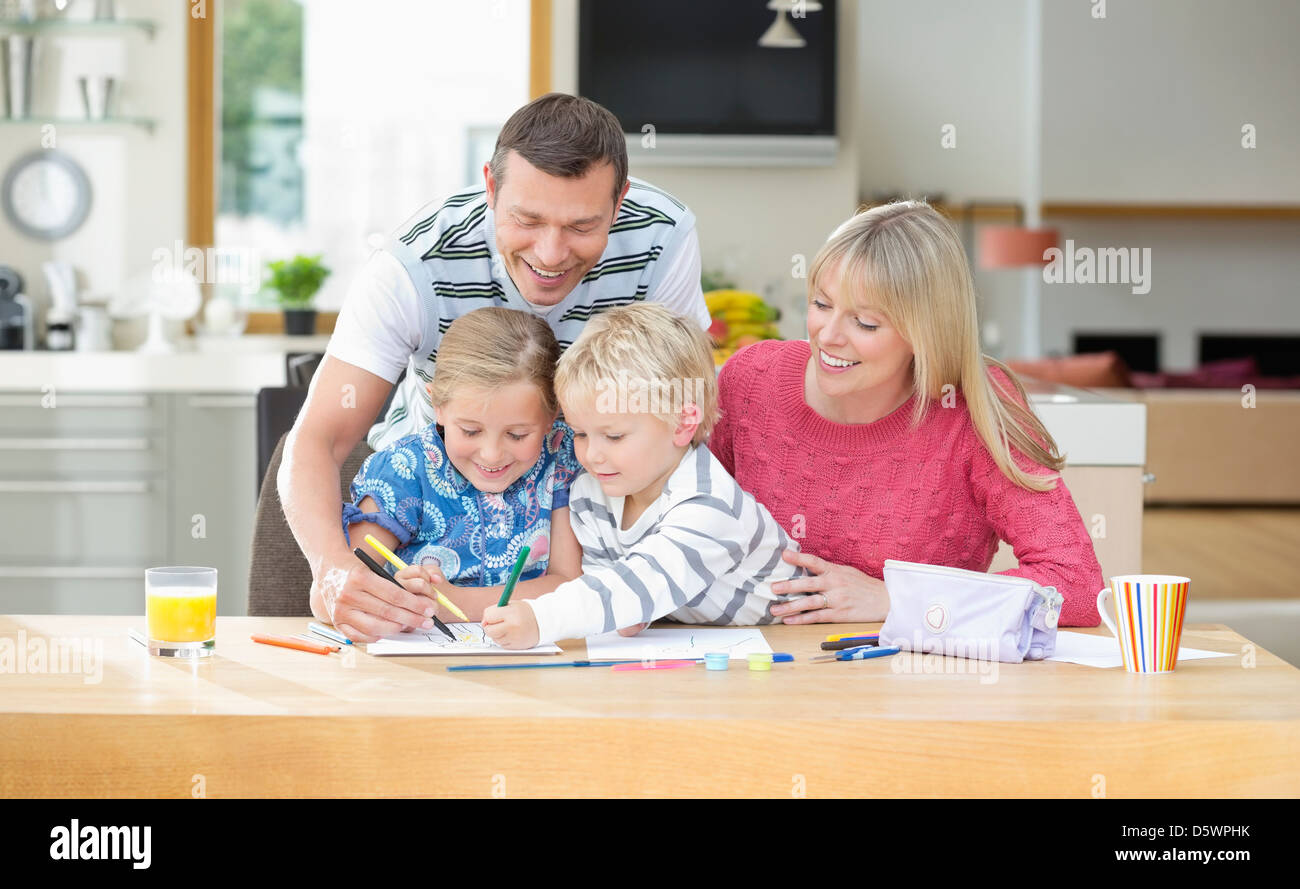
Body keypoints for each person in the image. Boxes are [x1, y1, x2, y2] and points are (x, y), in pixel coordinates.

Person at [283, 93, 708, 641]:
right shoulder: (414, 265)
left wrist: (654, 567)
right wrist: (332, 569)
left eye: (582, 226)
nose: (551, 254)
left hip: (591, 513)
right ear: (489, 186)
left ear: (620, 201)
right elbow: (318, 437)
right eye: (526, 220)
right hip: (435, 507)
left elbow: (684, 418)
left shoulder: (663, 238)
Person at [708, 201, 1103, 628]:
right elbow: (681, 526)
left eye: (865, 323)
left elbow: (1076, 587)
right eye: (822, 304)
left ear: (925, 331)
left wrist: (899, 599)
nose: (829, 335)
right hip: (761, 671)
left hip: (918, 684)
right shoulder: (751, 380)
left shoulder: (975, 409)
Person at [482, 303, 805, 649]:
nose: (592, 455)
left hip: (794, 640)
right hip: (710, 648)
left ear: (682, 423)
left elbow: (641, 581)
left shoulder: (711, 505)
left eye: (615, 436)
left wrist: (541, 619)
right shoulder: (591, 495)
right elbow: (613, 587)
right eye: (580, 434)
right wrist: (630, 611)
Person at [339, 308, 582, 630]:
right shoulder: (403, 470)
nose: (492, 454)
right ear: (437, 406)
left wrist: (457, 604)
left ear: (554, 414)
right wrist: (397, 594)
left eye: (517, 434)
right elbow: (346, 589)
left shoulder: (561, 460)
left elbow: (569, 584)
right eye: (470, 431)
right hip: (417, 670)